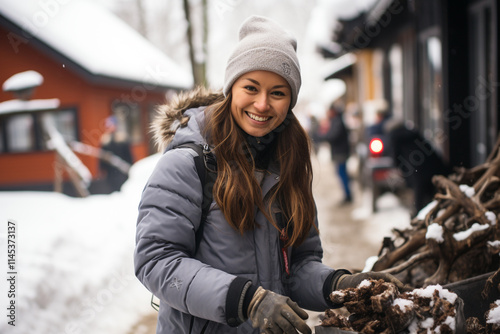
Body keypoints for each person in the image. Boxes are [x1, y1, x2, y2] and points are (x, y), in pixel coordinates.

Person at [134, 16, 405, 334]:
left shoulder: (288, 164)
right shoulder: (187, 163)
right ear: (231, 89)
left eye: (277, 92)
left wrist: (341, 285)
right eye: (251, 88)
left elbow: (298, 266)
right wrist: (245, 299)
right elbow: (156, 261)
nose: (262, 104)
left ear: (290, 100)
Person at [386, 120, 451, 216]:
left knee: (419, 196)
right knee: (431, 192)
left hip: (415, 170)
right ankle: (433, 214)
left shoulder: (394, 136)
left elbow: (395, 155)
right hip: (430, 165)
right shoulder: (412, 132)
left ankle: (419, 218)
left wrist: (398, 168)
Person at [315, 103, 352, 204]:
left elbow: (333, 136)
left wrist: (321, 137)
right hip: (339, 151)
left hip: (340, 152)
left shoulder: (337, 121)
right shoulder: (337, 120)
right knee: (341, 173)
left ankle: (348, 195)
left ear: (332, 111)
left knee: (342, 173)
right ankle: (347, 194)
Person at [98, 115, 133, 193]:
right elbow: (101, 157)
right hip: (111, 172)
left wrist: (131, 166)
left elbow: (129, 155)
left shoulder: (122, 139)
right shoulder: (105, 140)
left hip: (122, 171)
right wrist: (101, 170)